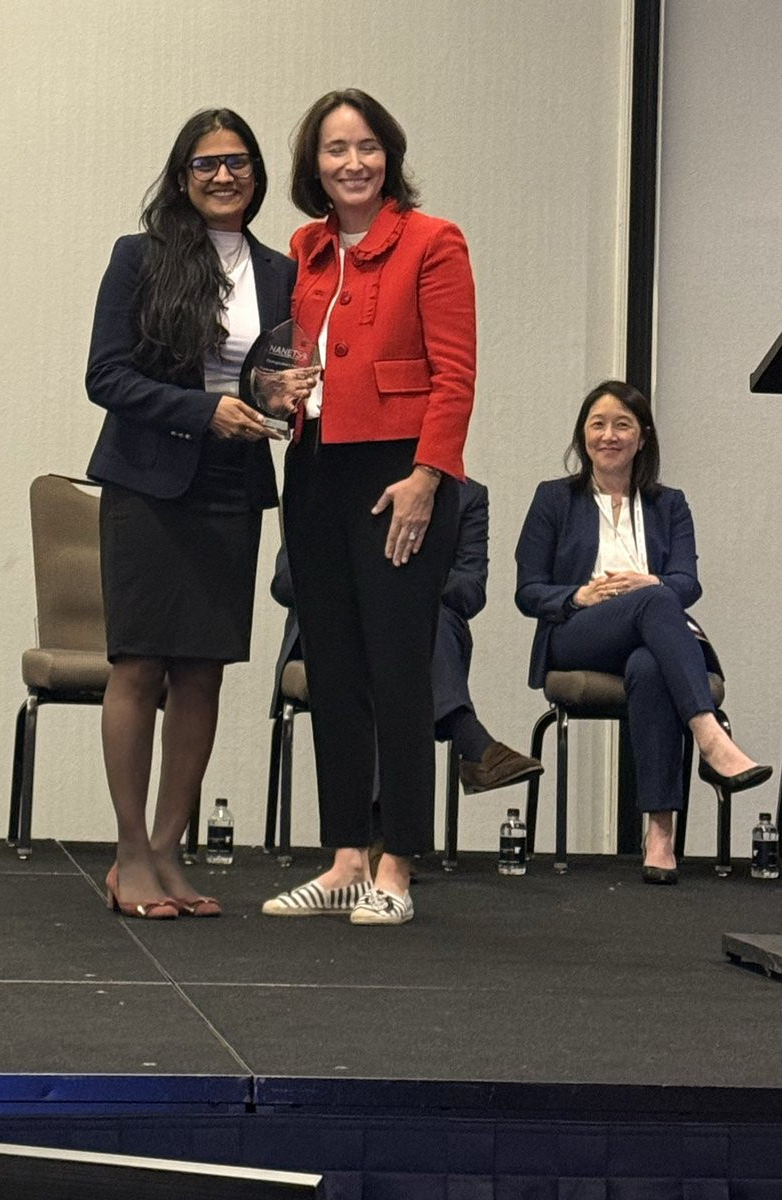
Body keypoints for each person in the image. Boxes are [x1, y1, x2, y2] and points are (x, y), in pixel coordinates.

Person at [86, 108, 311, 918]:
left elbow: (270, 374)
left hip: (231, 484)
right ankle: (128, 853)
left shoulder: (280, 269)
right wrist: (201, 409)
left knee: (202, 670)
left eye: (237, 161)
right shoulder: (140, 257)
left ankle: (168, 851)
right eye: (206, 163)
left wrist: (276, 394)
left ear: (256, 175)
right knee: (139, 665)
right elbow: (106, 376)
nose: (223, 175)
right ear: (183, 177)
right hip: (148, 483)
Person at [261, 88, 476, 926]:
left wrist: (427, 477)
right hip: (314, 467)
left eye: (366, 147)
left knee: (397, 670)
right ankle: (345, 857)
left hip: (398, 475)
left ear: (389, 155)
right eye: (334, 149)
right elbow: (280, 357)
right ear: (312, 166)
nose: (352, 163)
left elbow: (454, 375)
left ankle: (397, 865)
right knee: (333, 671)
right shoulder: (305, 248)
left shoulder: (432, 240)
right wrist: (275, 391)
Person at [514, 380, 772, 884]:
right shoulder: (554, 498)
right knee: (657, 598)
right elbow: (528, 590)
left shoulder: (668, 503)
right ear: (583, 435)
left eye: (622, 425)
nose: (609, 436)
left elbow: (687, 581)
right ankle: (709, 736)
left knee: (650, 663)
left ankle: (659, 837)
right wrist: (579, 595)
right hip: (578, 632)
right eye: (598, 425)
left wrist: (649, 583)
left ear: (643, 436)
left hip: (650, 639)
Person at [269, 478, 543, 798]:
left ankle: (377, 820)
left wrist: (412, 580)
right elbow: (285, 584)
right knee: (396, 636)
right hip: (334, 631)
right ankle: (471, 741)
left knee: (412, 626)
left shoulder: (467, 495)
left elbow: (470, 593)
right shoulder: (332, 477)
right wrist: (368, 572)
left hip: (423, 634)